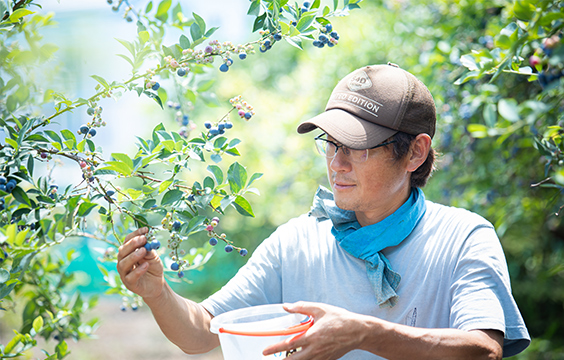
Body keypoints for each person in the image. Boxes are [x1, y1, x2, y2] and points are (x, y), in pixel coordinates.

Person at [117, 63, 530, 359]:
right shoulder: (295, 243)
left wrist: (363, 334)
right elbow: (203, 332)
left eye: (358, 147)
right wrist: (158, 293)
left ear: (415, 153)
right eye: (331, 143)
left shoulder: (462, 237)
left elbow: (483, 349)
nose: (337, 163)